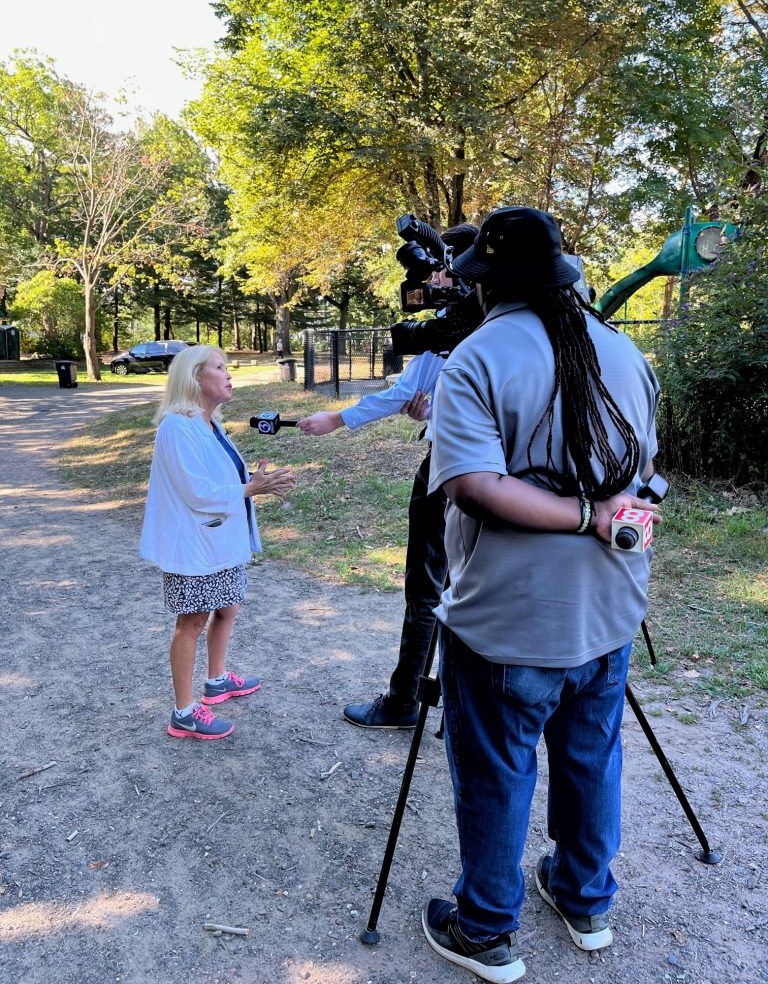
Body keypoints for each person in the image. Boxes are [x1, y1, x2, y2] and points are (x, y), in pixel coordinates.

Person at [421, 207, 661, 983]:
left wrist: (587, 513)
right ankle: (585, 896)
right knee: (592, 755)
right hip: (610, 609)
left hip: (507, 620)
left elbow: (472, 487)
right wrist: (619, 510)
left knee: (497, 769)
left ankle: (487, 928)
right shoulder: (623, 350)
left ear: (485, 285)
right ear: (561, 276)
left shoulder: (478, 356)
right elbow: (651, 475)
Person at [297, 223, 479, 729]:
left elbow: (403, 392)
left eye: (442, 269)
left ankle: (405, 703)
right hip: (508, 483)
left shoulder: (459, 326)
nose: (433, 281)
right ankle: (461, 707)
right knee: (472, 586)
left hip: (450, 474)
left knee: (428, 588)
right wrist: (434, 410)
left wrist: (336, 419)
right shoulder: (515, 325)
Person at [140, 345, 295, 741]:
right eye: (220, 368)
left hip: (220, 541)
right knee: (191, 622)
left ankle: (217, 680)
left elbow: (228, 479)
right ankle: (184, 712)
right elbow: (197, 491)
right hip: (194, 546)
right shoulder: (176, 426)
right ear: (195, 378)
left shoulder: (211, 424)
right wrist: (249, 487)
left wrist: (259, 481)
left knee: (228, 607)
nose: (229, 375)